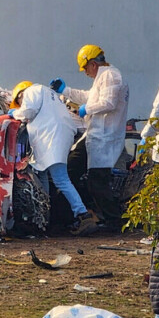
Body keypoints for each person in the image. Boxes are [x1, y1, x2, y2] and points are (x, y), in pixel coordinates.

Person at [49, 44, 128, 231]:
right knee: (75, 172)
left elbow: (107, 103)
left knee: (96, 181)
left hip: (104, 136)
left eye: (85, 68)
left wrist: (86, 110)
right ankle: (69, 216)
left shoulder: (110, 75)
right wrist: (66, 90)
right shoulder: (105, 77)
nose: (85, 73)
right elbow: (90, 96)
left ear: (93, 64)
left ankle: (114, 222)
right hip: (96, 135)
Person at [8, 81, 95, 235]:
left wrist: (14, 114)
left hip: (52, 138)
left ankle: (83, 215)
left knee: (60, 179)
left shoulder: (32, 91)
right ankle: (44, 217)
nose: (20, 104)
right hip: (59, 136)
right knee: (41, 175)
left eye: (19, 102)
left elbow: (28, 112)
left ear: (21, 94)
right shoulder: (50, 95)